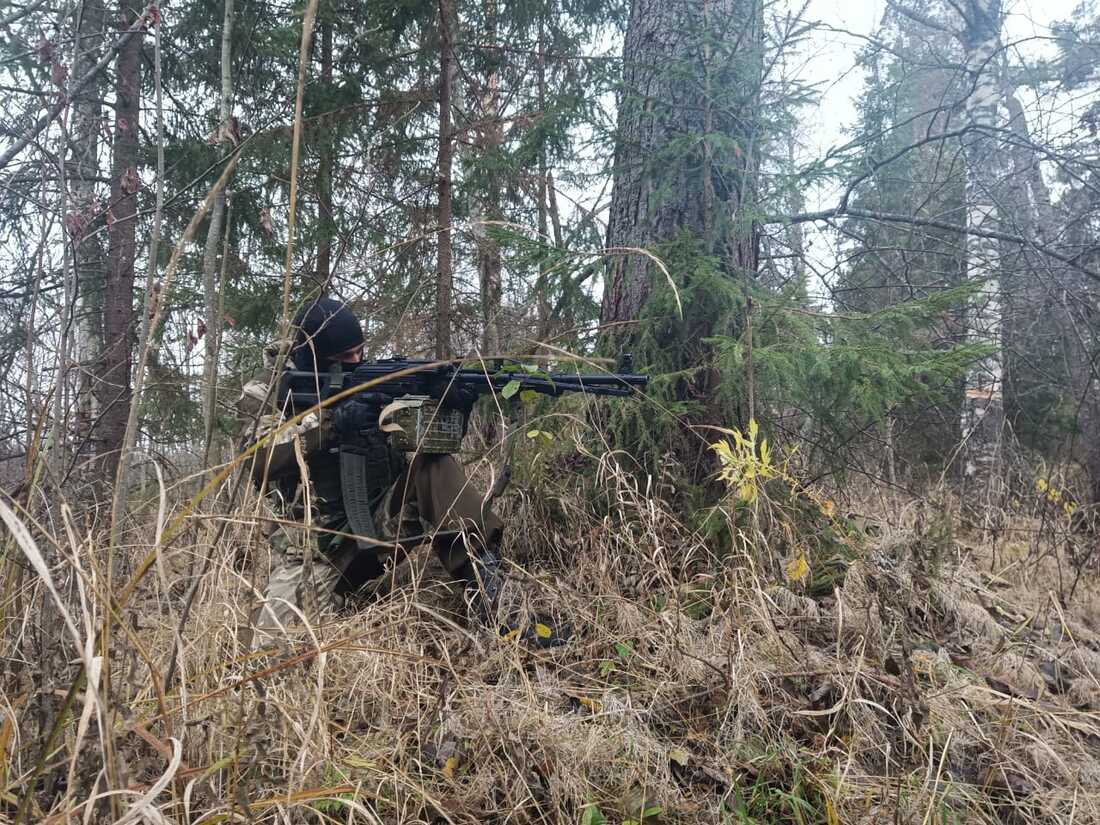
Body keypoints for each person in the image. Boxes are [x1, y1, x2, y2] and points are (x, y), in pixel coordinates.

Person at [235, 297, 506, 642]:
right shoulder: (267, 392)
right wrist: (330, 423)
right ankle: (345, 598)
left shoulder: (374, 381)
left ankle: (492, 593)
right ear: (314, 356)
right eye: (344, 358)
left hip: (381, 529)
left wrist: (450, 404)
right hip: (316, 553)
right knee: (271, 653)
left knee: (434, 464)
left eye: (359, 352)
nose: (356, 361)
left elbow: (435, 442)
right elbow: (257, 460)